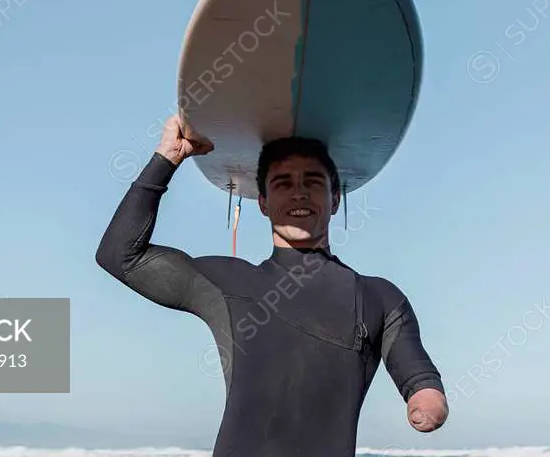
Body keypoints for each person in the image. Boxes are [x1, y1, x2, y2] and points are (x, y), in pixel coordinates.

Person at [96, 115, 448, 456]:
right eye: (283, 184)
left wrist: (426, 398)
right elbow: (119, 256)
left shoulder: (378, 298)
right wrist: (167, 158)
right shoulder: (229, 282)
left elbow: (418, 374)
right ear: (262, 202)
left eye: (312, 182)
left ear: (335, 198)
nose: (299, 194)